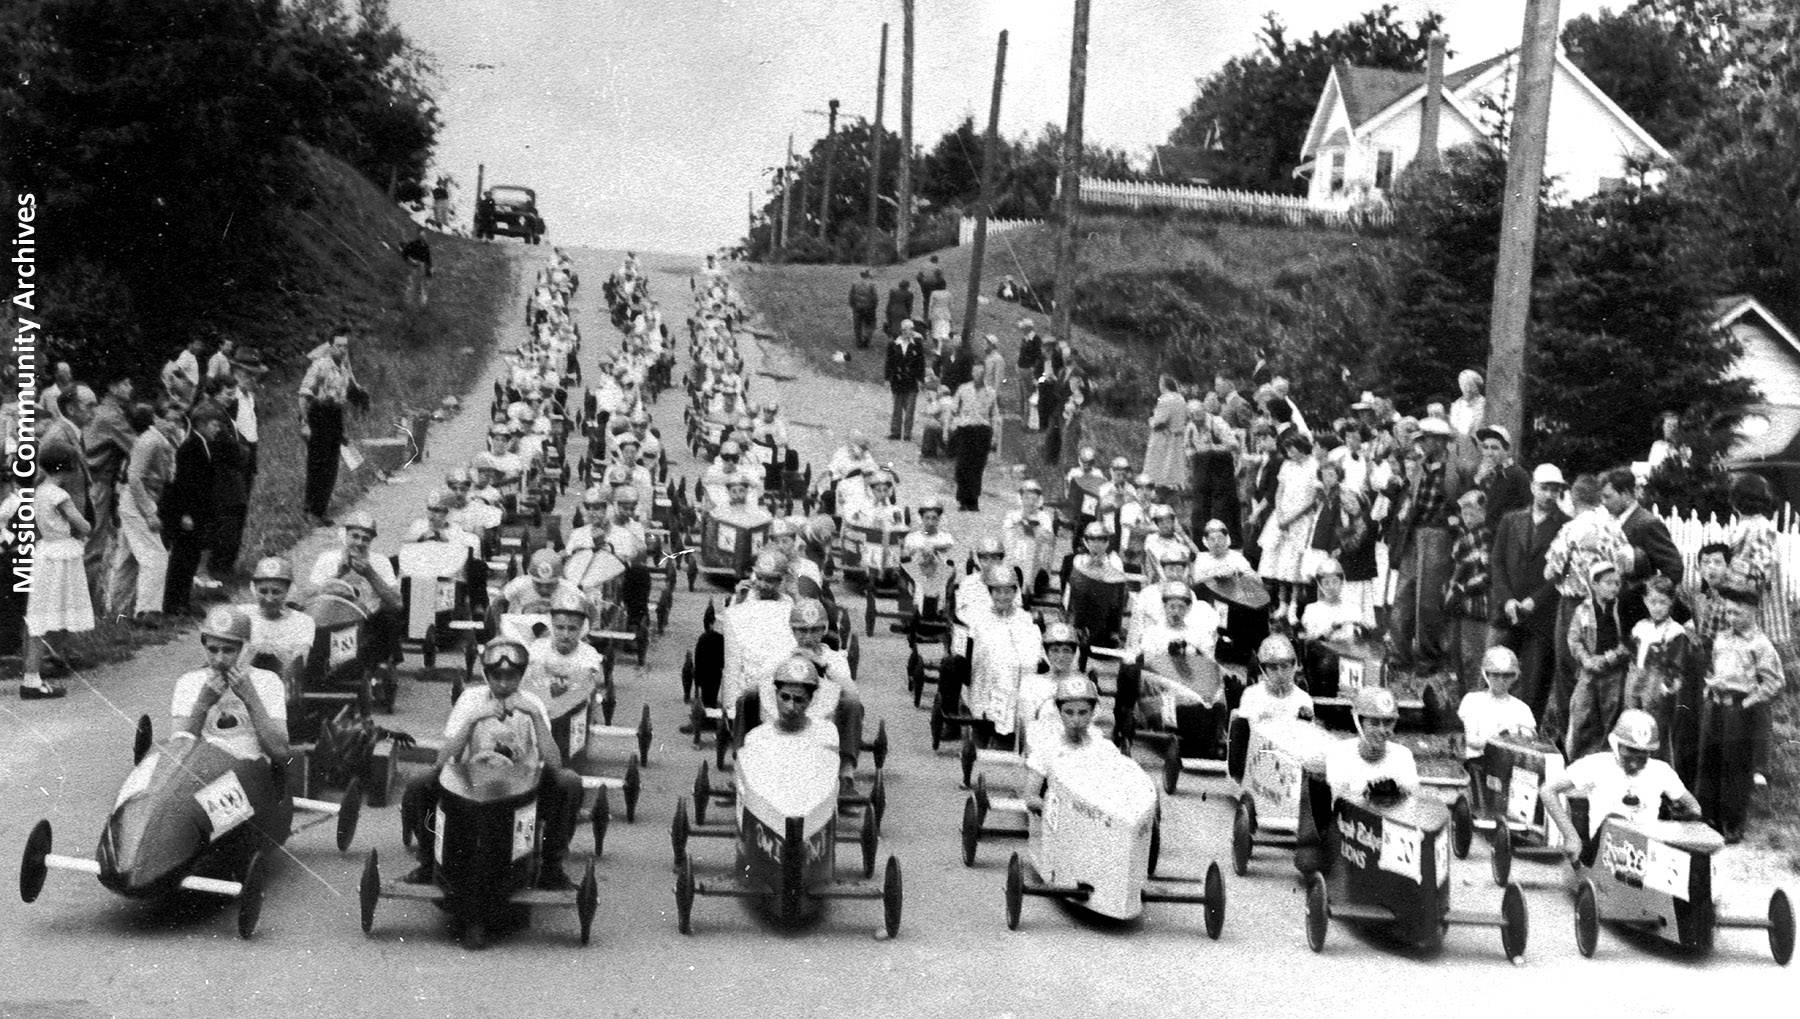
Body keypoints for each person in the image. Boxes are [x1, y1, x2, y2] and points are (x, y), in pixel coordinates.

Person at [403, 639, 582, 889]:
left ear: (521, 676)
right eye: (497, 676)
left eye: (511, 677)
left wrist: (535, 716)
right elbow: (442, 761)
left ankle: (552, 868)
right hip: (471, 786)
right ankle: (429, 864)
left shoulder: (532, 703)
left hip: (522, 788)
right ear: (487, 675)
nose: (504, 684)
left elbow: (555, 763)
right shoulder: (470, 699)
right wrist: (474, 719)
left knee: (569, 781)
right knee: (420, 784)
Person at [1694, 565, 1782, 842]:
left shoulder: (1761, 644)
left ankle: (1732, 824)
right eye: (1729, 612)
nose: (1731, 618)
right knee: (1710, 761)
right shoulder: (1722, 637)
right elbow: (1716, 667)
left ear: (1753, 612)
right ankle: (1707, 817)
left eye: (1738, 613)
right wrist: (1711, 686)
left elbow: (1774, 682)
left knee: (1735, 767)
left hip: (1739, 710)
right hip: (1716, 705)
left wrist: (1748, 703)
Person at [1543, 473, 1630, 742]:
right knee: (1605, 674)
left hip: (1576, 605)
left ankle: (1569, 738)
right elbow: (1627, 564)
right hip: (1610, 605)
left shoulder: (1571, 529)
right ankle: (1598, 739)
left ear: (1574, 497)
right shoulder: (1615, 528)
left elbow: (1550, 571)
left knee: (1571, 670)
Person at [1541, 710, 1702, 855]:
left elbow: (1694, 808)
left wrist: (1676, 824)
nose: (1634, 762)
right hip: (1606, 850)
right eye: (1630, 751)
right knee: (1615, 818)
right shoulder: (1596, 764)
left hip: (1649, 850)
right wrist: (1571, 837)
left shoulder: (1661, 771)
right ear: (1616, 745)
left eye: (1642, 755)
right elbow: (1548, 790)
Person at [1488, 463, 1569, 721]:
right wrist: (1508, 599)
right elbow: (1497, 562)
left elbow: (1562, 572)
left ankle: (1527, 732)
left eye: (1555, 490)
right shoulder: (1511, 520)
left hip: (1541, 615)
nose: (1549, 495)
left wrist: (1535, 600)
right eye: (1544, 488)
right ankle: (1491, 727)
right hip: (1507, 611)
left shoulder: (1565, 525)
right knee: (1496, 669)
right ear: (1533, 487)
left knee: (1535, 682)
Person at [1390, 416, 1469, 672]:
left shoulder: (1456, 468)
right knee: (1403, 595)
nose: (1424, 444)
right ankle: (1400, 654)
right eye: (1423, 439)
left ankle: (1428, 656)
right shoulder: (1421, 466)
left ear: (1441, 441)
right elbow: (1412, 498)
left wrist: (1453, 521)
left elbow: (1464, 501)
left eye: (1430, 439)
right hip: (1414, 534)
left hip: (1439, 535)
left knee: (1429, 599)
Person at [20, 446, 94, 699]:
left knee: (45, 612)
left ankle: (46, 664)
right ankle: (34, 677)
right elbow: (83, 525)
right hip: (61, 554)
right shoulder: (59, 495)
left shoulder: (39, 492)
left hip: (46, 552)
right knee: (49, 614)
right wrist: (84, 528)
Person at [171, 606, 289, 761]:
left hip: (250, 771)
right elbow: (177, 753)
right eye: (212, 650)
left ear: (244, 650)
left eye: (228, 650)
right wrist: (202, 704)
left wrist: (250, 697)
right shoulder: (189, 682)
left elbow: (280, 751)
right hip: (203, 771)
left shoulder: (267, 681)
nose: (219, 659)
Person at [766, 599, 863, 779]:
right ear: (793, 630)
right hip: (787, 709)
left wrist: (822, 665)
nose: (808, 637)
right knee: (749, 697)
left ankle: (846, 771)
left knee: (852, 702)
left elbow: (852, 691)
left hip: (824, 712)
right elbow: (762, 682)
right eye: (802, 630)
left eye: (815, 630)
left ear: (824, 630)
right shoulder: (782, 655)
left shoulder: (834, 658)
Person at [1135, 581, 1226, 755]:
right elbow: (1148, 666)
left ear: (1188, 609)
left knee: (1215, 694)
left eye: (1181, 607)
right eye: (1172, 607)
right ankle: (1174, 728)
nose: (1176, 612)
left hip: (1192, 681)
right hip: (1162, 682)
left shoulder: (1197, 633)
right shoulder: (1153, 633)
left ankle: (1211, 732)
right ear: (1165, 607)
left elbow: (1208, 663)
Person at [307, 511, 405, 670]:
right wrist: (338, 574)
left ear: (371, 541)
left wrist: (370, 574)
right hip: (329, 618)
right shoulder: (327, 558)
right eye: (355, 536)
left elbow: (397, 603)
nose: (359, 543)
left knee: (388, 618)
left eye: (365, 539)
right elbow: (309, 597)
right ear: (345, 535)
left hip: (365, 621)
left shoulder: (381, 562)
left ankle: (378, 665)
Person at [1626, 574, 1699, 777]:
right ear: (1645, 601)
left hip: (1657, 680)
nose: (1657, 607)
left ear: (1671, 603)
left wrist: (1668, 684)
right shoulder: (1641, 627)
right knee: (1632, 718)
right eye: (1652, 602)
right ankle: (1631, 769)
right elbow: (1633, 654)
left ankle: (1656, 774)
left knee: (1654, 726)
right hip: (1637, 678)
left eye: (1662, 602)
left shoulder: (1675, 632)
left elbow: (1676, 664)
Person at [967, 565, 1045, 745]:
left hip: (1019, 674)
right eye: (997, 592)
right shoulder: (980, 618)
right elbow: (976, 651)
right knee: (1000, 670)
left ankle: (1011, 730)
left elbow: (1033, 648)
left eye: (1008, 592)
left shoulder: (1025, 618)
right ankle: (992, 725)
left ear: (1015, 592)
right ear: (990, 592)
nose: (1003, 597)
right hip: (987, 676)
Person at [160, 403, 225, 617]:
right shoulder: (190, 447)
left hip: (200, 510)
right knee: (182, 557)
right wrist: (185, 513)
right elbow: (184, 483)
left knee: (192, 557)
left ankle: (184, 600)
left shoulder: (205, 444)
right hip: (188, 512)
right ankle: (173, 603)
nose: (218, 429)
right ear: (202, 424)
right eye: (215, 425)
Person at [1601, 468, 1683, 625]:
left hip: (1637, 610)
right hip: (1616, 606)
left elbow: (1673, 569)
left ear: (1625, 494)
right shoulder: (1614, 521)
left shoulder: (1647, 523)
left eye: (1608, 497)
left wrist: (1649, 597)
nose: (1604, 503)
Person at [1566, 561, 1632, 759]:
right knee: (1581, 712)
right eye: (1608, 583)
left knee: (1610, 715)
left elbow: (1629, 640)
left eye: (1617, 584)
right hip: (1589, 670)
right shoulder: (1583, 610)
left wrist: (1611, 657)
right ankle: (1576, 758)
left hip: (1614, 673)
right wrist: (1585, 659)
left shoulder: (1622, 609)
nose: (1613, 588)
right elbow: (1574, 638)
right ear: (1594, 585)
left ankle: (1605, 758)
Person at [1258, 430, 1321, 625]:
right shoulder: (1286, 465)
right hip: (1282, 518)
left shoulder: (1314, 465)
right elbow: (1279, 491)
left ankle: (1294, 605)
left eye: (1292, 450)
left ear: (1302, 449)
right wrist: (1280, 514)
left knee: (1295, 565)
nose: (1289, 454)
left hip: (1301, 520)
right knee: (1279, 563)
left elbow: (1313, 500)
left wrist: (1292, 518)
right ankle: (1282, 603)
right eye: (1287, 450)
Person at [82, 374, 135, 607]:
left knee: (88, 544)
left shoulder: (103, 411)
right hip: (98, 483)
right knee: (93, 548)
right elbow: (137, 447)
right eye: (125, 383)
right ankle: (88, 606)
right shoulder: (113, 416)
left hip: (91, 482)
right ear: (112, 386)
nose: (130, 387)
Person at [298, 331, 359, 527]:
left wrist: (342, 429)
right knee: (317, 465)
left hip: (335, 417)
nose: (342, 350)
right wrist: (305, 423)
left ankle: (319, 508)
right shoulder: (320, 365)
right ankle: (311, 508)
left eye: (345, 347)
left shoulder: (343, 369)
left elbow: (343, 397)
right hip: (318, 415)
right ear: (330, 346)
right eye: (339, 346)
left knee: (331, 467)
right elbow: (304, 394)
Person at [1457, 646, 1538, 795]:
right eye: (1496, 675)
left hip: (1512, 768)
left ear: (1514, 676)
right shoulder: (1472, 701)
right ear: (1486, 674)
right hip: (1479, 764)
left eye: (1507, 676)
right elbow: (1471, 741)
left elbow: (1529, 745)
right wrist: (1499, 739)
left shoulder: (1522, 709)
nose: (1501, 680)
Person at [1023, 678, 1118, 799]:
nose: (1076, 720)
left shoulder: (1105, 749)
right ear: (1059, 712)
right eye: (1069, 712)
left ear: (1093, 712)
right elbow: (1031, 796)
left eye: (1083, 712)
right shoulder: (1047, 748)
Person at [1324, 687, 1419, 802]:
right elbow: (1342, 804)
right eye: (1374, 723)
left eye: (1388, 722)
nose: (1382, 730)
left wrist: (1401, 793)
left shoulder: (1402, 756)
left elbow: (1411, 805)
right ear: (1359, 723)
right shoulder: (1339, 754)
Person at [1443, 489, 1494, 698]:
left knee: (1473, 658)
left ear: (1483, 512)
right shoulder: (1464, 535)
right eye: (1464, 511)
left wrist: (1463, 589)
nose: (1467, 515)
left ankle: (1478, 700)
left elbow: (1487, 573)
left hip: (1476, 605)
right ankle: (1464, 703)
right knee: (1458, 657)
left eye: (1472, 511)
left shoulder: (1484, 536)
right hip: (1458, 605)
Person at [744, 656, 841, 753]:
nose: (790, 707)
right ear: (776, 694)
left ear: (810, 700)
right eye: (785, 697)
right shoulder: (756, 738)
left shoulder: (826, 735)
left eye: (799, 700)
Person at [523, 591, 604, 704]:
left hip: (574, 706)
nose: (565, 635)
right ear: (552, 625)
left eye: (572, 629)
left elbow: (585, 681)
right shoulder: (539, 646)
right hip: (543, 703)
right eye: (560, 627)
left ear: (581, 628)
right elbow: (535, 675)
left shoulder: (588, 653)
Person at [243, 556, 315, 668]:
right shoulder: (242, 614)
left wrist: (277, 652)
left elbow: (297, 668)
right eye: (263, 591)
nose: (269, 598)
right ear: (253, 589)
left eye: (276, 592)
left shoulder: (303, 622)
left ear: (289, 591)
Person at [949, 361, 999, 512]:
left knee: (977, 466)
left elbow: (995, 415)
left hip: (982, 431)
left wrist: (995, 436)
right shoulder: (964, 389)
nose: (979, 375)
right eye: (976, 372)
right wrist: (955, 424)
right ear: (972, 373)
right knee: (963, 465)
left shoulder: (990, 392)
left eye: (982, 373)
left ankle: (973, 499)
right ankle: (962, 498)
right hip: (966, 430)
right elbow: (953, 408)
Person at [1237, 635, 1316, 723]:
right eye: (1273, 667)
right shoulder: (1252, 695)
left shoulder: (1303, 699)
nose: (1279, 673)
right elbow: (1242, 732)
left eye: (1284, 666)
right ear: (1264, 669)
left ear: (1293, 666)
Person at [1144, 375, 1188, 499]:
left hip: (1164, 437)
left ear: (1163, 385)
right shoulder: (1181, 398)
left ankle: (1160, 492)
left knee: (1160, 465)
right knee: (1173, 464)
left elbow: (1159, 421)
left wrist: (1151, 420)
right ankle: (1172, 488)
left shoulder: (1165, 399)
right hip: (1177, 436)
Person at [885, 320, 926, 441]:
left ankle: (907, 433)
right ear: (903, 330)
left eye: (913, 329)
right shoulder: (893, 344)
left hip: (911, 380)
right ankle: (896, 431)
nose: (912, 332)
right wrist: (887, 378)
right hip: (898, 380)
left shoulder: (917, 345)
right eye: (910, 329)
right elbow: (889, 363)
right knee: (897, 407)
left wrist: (921, 379)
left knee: (910, 409)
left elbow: (921, 363)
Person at [1014, 319, 1043, 426]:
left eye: (1023, 328)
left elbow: (1039, 357)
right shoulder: (1024, 338)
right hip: (1021, 368)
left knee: (1028, 395)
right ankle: (1021, 417)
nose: (1021, 330)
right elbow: (1022, 353)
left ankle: (1027, 421)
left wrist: (1033, 369)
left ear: (1028, 328)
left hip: (1029, 370)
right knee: (1021, 394)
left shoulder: (1036, 340)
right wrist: (1017, 364)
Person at [1448, 369, 1486, 438]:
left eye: (1471, 385)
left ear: (1478, 387)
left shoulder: (1484, 404)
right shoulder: (1456, 405)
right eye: (1463, 385)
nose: (1467, 389)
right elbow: (1453, 426)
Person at [848, 269, 879, 349]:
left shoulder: (855, 283)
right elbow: (875, 297)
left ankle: (859, 343)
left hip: (857, 308)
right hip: (869, 308)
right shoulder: (871, 284)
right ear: (867, 275)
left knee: (857, 326)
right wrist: (874, 306)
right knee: (869, 325)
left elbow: (851, 295)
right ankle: (866, 341)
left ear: (860, 274)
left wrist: (852, 305)